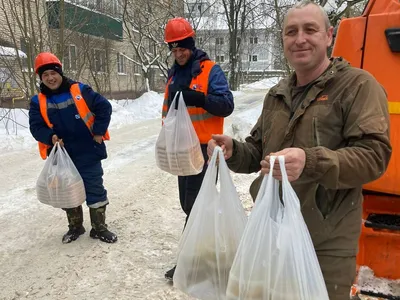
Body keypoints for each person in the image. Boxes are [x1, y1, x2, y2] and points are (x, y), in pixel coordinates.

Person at [207, 1, 391, 299]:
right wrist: (234, 151)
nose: (300, 38)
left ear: (329, 35)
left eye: (310, 29)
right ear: (283, 41)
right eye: (291, 32)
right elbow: (258, 151)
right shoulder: (276, 95)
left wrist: (310, 161)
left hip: (326, 243)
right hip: (273, 232)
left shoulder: (357, 86)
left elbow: (374, 156)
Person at [162, 17, 234, 280]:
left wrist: (199, 99)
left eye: (182, 47)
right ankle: (207, 250)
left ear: (191, 45)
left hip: (206, 150)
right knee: (187, 203)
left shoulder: (210, 71)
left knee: (195, 204)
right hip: (183, 149)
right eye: (174, 48)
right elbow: (168, 111)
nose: (178, 53)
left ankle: (189, 262)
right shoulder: (173, 75)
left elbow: (226, 105)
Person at [29, 52, 118, 244]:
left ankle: (99, 228)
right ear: (41, 78)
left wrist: (98, 132)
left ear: (60, 72)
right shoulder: (38, 101)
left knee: (95, 189)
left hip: (88, 152)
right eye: (45, 75)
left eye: (53, 73)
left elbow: (104, 108)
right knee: (68, 191)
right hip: (62, 157)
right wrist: (50, 137)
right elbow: (36, 127)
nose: (50, 78)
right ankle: (76, 227)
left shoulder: (80, 90)